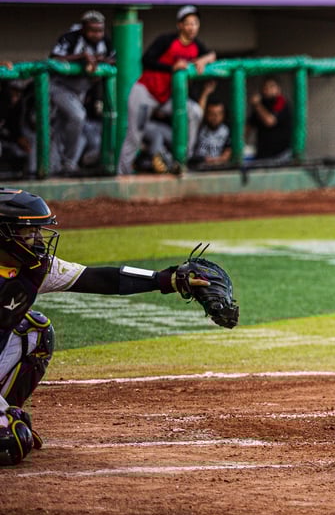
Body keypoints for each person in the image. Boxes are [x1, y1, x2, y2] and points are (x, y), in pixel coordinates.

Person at [0, 188, 220, 465]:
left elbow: (99, 279)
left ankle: (9, 409)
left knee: (35, 330)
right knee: (11, 443)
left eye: (37, 231)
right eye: (27, 232)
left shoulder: (34, 268)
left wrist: (166, 279)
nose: (38, 240)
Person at [118, 5, 216, 175]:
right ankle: (121, 174)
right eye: (188, 23)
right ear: (180, 25)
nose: (192, 27)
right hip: (146, 92)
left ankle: (184, 160)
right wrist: (172, 67)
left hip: (167, 98)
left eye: (195, 23)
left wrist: (204, 60)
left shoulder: (196, 46)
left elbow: (212, 55)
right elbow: (147, 60)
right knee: (135, 135)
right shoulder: (167, 40)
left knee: (194, 112)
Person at [48, 10, 116, 175]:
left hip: (81, 90)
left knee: (61, 127)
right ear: (83, 28)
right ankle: (68, 163)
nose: (97, 34)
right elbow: (53, 58)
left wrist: (101, 61)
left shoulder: (105, 41)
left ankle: (55, 166)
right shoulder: (70, 37)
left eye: (100, 30)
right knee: (77, 116)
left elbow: (115, 59)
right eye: (93, 30)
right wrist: (80, 57)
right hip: (59, 86)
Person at [247, 77, 292, 164]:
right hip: (263, 155)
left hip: (280, 155)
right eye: (265, 87)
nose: (268, 89)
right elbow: (249, 126)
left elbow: (270, 121)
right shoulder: (262, 104)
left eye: (272, 86)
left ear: (278, 89)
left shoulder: (281, 101)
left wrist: (257, 105)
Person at [190, 86, 232, 169]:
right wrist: (205, 93)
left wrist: (210, 161)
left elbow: (226, 156)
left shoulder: (226, 131)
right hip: (197, 168)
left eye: (219, 114)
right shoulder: (200, 128)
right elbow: (198, 114)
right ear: (206, 114)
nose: (215, 117)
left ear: (223, 115)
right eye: (211, 114)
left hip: (218, 169)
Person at [0, 81, 31, 176]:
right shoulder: (3, 101)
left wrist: (18, 138)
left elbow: (14, 127)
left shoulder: (18, 105)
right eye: (13, 91)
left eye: (19, 93)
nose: (15, 96)